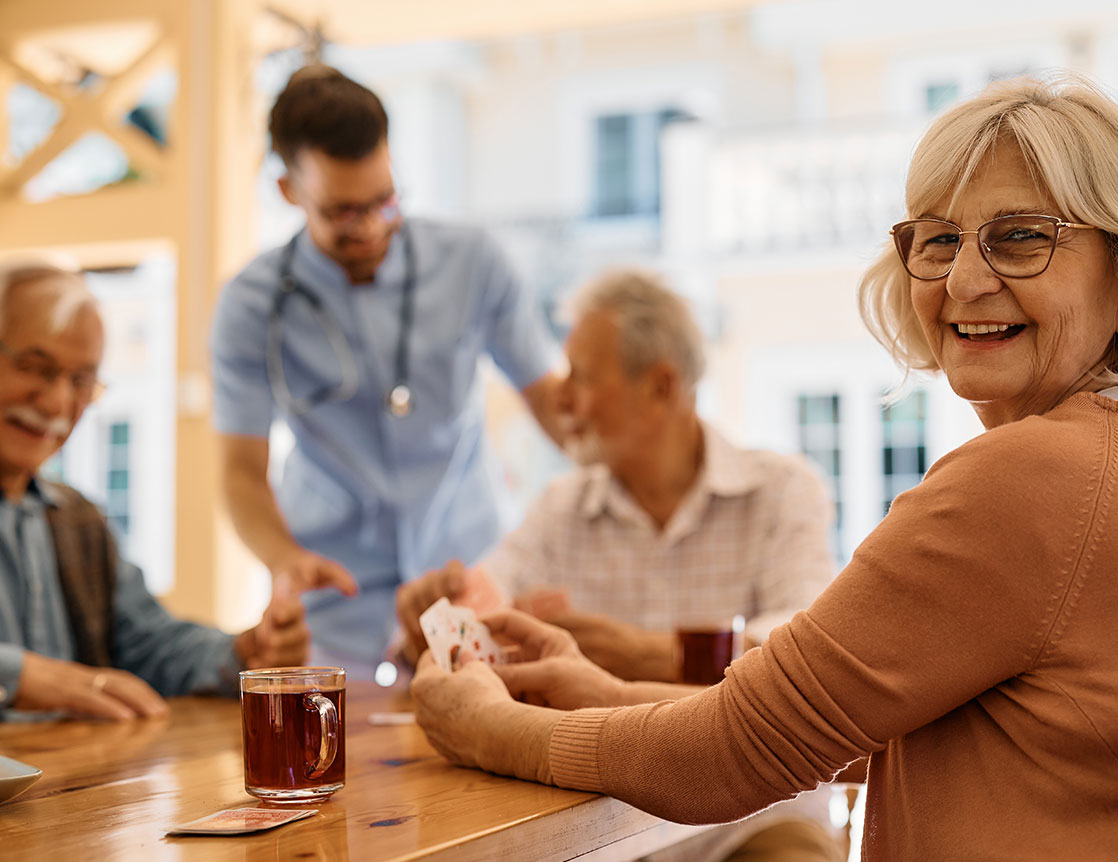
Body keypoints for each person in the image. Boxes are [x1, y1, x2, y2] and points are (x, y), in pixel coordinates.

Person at [410, 74, 1118, 860]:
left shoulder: (1029, 476)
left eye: (1021, 235)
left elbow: (727, 755)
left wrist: (487, 726)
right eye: (939, 238)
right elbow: (856, 723)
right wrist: (608, 696)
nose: (962, 280)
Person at [399, 269, 844, 860]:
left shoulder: (783, 491)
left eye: (580, 375)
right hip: (595, 831)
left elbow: (802, 663)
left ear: (661, 386)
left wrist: (644, 654)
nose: (558, 398)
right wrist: (438, 620)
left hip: (756, 821)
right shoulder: (561, 507)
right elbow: (482, 602)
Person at [210, 65, 563, 676]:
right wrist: (283, 558)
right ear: (289, 190)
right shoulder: (251, 304)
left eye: (384, 201)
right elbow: (241, 472)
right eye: (343, 213)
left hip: (464, 586)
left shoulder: (473, 263)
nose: (371, 227)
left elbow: (557, 409)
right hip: (337, 601)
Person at [0, 261, 311, 723]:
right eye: (35, 368)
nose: (56, 404)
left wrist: (245, 653)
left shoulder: (77, 517)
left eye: (81, 382)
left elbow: (148, 644)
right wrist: (18, 674)